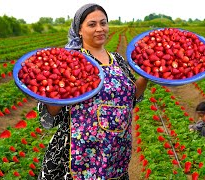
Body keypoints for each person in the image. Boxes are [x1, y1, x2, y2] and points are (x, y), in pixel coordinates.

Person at [37, 3, 148, 180]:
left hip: (114, 152)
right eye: (92, 24)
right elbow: (52, 112)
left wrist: (147, 74)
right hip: (77, 152)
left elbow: (131, 97)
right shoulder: (70, 61)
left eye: (103, 23)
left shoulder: (117, 60)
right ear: (79, 30)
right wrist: (56, 89)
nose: (99, 29)